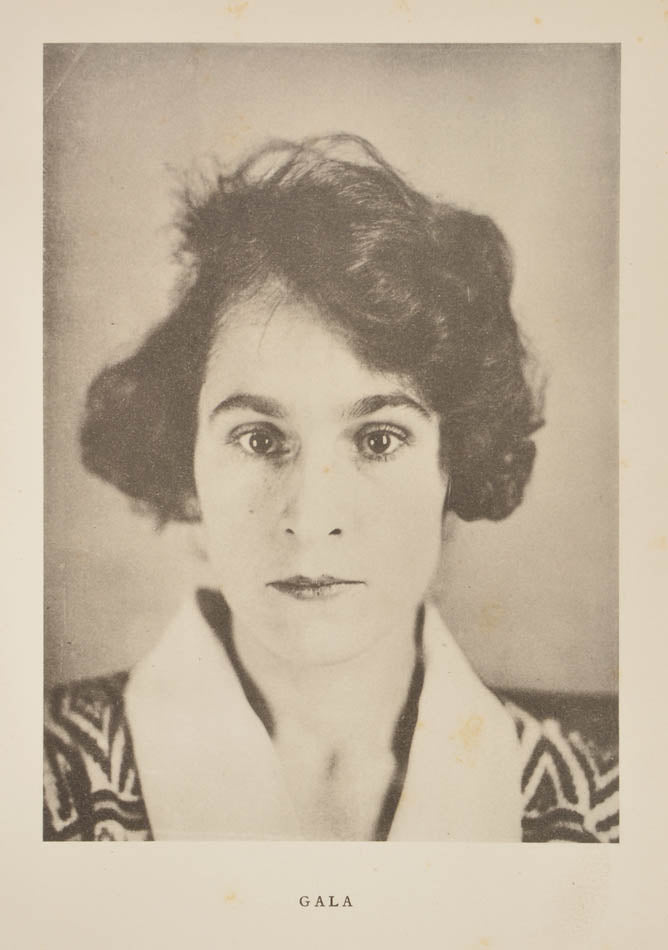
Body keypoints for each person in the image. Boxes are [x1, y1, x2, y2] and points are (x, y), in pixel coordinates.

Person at [43, 133, 618, 843]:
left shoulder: (612, 809)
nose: (311, 517)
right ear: (187, 464)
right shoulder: (37, 782)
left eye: (378, 440)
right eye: (260, 439)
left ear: (454, 464)